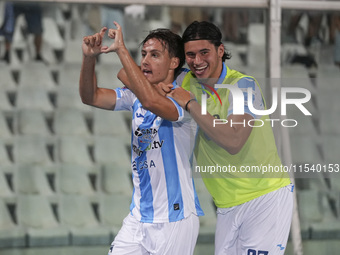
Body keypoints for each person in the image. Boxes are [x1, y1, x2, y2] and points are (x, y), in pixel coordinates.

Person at [167, 21, 293, 255]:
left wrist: (190, 103)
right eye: (190, 55)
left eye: (204, 52)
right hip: (226, 206)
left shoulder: (243, 85)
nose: (197, 61)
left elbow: (234, 141)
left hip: (263, 197)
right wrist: (118, 52)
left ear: (220, 50)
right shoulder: (186, 82)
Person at [79, 22, 203, 255]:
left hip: (174, 219)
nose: (145, 60)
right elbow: (91, 96)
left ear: (174, 63)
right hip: (138, 218)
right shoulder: (135, 95)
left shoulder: (184, 97)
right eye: (144, 54)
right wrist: (89, 59)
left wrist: (121, 51)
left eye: (155, 55)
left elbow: (151, 101)